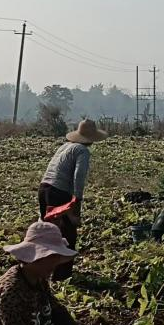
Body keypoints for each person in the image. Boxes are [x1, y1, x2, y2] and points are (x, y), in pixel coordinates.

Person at [38, 119, 107, 281]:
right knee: (67, 234)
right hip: (59, 193)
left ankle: (40, 268)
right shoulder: (82, 151)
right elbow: (79, 176)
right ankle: (62, 275)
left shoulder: (64, 146)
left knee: (46, 230)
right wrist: (77, 201)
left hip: (44, 189)